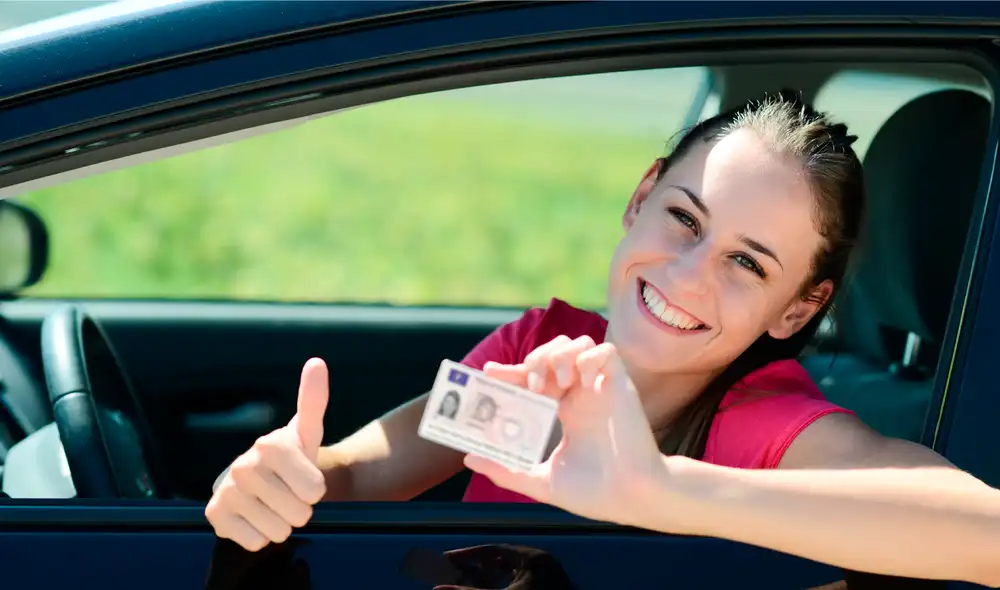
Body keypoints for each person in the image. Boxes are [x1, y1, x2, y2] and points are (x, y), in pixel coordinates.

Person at [205, 92, 1000, 586]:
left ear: (795, 311)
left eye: (746, 265)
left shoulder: (763, 425)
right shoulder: (543, 352)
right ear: (641, 195)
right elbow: (367, 470)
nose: (688, 276)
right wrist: (288, 475)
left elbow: (986, 535)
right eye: (684, 218)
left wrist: (661, 489)